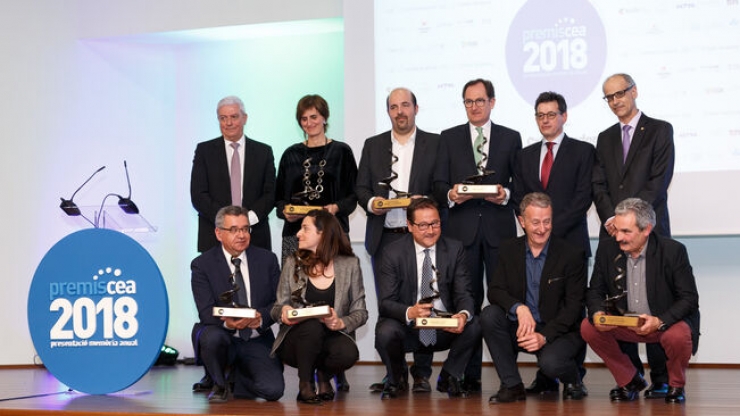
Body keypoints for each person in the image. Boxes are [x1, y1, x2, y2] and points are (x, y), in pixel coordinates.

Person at [433, 78, 522, 390]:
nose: (474, 106)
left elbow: (520, 184)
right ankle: (466, 376)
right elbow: (438, 183)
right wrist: (452, 194)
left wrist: (506, 194)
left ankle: (507, 378)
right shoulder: (449, 138)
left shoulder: (511, 138)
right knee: (466, 302)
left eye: (480, 101)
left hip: (500, 232)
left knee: (500, 305)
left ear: (492, 102)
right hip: (462, 234)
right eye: (468, 102)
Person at [592, 73, 675, 396]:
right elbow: (598, 184)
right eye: (609, 97)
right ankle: (629, 378)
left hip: (649, 229)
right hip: (615, 233)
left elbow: (659, 180)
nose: (615, 101)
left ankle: (662, 377)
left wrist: (632, 221)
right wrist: (613, 218)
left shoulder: (659, 130)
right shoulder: (604, 137)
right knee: (619, 303)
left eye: (620, 94)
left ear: (634, 91)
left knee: (653, 300)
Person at [355, 87, 440, 393]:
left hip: (423, 237)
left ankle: (422, 372)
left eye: (406, 105)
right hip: (386, 238)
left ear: (416, 108)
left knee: (426, 304)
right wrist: (371, 203)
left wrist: (425, 199)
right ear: (388, 111)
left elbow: (441, 186)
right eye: (394, 107)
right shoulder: (373, 144)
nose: (400, 111)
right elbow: (361, 187)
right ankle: (396, 374)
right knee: (390, 306)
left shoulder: (435, 143)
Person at [512, 91, 595, 394]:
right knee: (540, 308)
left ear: (564, 115)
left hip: (570, 245)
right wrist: (537, 232)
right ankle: (546, 376)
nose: (545, 120)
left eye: (551, 114)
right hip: (533, 248)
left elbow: (583, 198)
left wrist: (548, 231)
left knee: (572, 310)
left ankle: (575, 376)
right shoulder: (525, 155)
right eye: (540, 115)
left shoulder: (584, 151)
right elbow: (520, 199)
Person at [581, 198, 700, 403]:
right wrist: (598, 312)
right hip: (625, 323)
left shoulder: (672, 252)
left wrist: (660, 321)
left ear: (647, 229)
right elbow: (595, 291)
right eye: (617, 230)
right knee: (588, 326)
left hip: (662, 323)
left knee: (679, 335)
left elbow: (689, 299)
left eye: (626, 232)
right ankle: (629, 379)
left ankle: (676, 385)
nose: (619, 237)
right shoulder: (607, 250)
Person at [482, 192, 587, 404]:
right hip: (522, 327)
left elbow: (573, 308)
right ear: (522, 221)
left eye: (547, 222)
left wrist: (544, 336)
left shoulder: (572, 254)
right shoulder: (508, 249)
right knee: (489, 315)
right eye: (535, 222)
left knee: (551, 364)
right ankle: (512, 386)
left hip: (559, 331)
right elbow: (495, 290)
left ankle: (574, 379)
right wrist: (519, 308)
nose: (542, 229)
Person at [374, 198, 481, 399]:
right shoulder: (392, 252)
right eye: (422, 225)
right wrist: (410, 312)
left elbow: (464, 293)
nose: (430, 230)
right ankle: (397, 379)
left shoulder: (455, 248)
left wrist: (462, 315)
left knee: (475, 324)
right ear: (409, 226)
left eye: (435, 223)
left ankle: (449, 376)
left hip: (443, 326)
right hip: (410, 327)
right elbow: (385, 303)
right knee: (385, 331)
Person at [270, 210, 368, 405]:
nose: (298, 233)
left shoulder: (350, 264)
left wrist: (341, 322)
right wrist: (283, 312)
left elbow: (361, 312)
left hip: (331, 338)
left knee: (348, 352)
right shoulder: (292, 262)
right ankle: (305, 384)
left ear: (323, 233)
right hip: (296, 341)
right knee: (312, 326)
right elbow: (277, 307)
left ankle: (323, 376)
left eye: (305, 228)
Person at [190, 205, 284, 403]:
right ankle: (219, 383)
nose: (241, 235)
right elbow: (206, 311)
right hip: (223, 333)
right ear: (218, 233)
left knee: (273, 390)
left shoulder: (267, 259)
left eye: (245, 228)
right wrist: (228, 323)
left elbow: (279, 302)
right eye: (233, 230)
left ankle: (236, 377)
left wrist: (261, 318)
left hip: (256, 337)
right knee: (211, 337)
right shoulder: (202, 264)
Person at [275, 94, 358, 263]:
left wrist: (335, 207)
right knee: (295, 286)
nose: (309, 123)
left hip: (333, 233)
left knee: (338, 285)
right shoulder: (290, 154)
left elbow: (354, 195)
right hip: (296, 235)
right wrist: (285, 211)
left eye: (314, 117)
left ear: (324, 118)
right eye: (304, 119)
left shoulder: (342, 151)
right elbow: (278, 199)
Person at [191, 95, 276, 252]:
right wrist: (227, 222)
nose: (228, 123)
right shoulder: (204, 151)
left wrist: (246, 221)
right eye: (223, 118)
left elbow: (270, 194)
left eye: (234, 117)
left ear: (245, 118)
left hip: (255, 236)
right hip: (214, 236)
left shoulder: (263, 152)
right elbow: (198, 195)